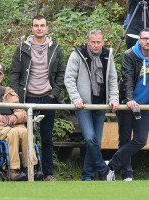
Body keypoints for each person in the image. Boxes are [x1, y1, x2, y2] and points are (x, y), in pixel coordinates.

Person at [10, 15, 65, 181]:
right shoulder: (22, 48)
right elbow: (14, 73)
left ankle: (48, 173)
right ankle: (29, 172)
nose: (39, 28)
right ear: (32, 28)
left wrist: (54, 94)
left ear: (47, 28)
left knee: (47, 137)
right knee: (26, 136)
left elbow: (61, 73)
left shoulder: (56, 48)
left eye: (42, 25)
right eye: (36, 25)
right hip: (27, 98)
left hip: (48, 98)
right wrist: (16, 95)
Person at [64, 29, 119, 181]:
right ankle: (104, 169)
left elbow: (113, 80)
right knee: (89, 138)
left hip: (100, 105)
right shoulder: (77, 54)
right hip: (83, 106)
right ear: (88, 42)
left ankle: (87, 176)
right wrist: (76, 98)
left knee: (96, 141)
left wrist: (114, 98)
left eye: (98, 42)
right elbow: (69, 79)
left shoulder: (108, 54)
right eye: (93, 42)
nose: (96, 45)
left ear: (103, 41)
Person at [107, 28, 149, 181]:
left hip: (144, 106)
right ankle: (127, 174)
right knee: (124, 139)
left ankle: (110, 165)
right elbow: (128, 78)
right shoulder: (129, 54)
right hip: (126, 103)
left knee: (140, 140)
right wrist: (129, 99)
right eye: (145, 38)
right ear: (139, 40)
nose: (148, 41)